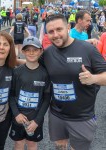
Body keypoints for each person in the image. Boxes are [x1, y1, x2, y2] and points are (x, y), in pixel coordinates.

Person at [41, 14, 106, 150]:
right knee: (60, 146)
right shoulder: (47, 53)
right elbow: (32, 65)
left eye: (59, 29)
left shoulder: (87, 49)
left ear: (68, 27)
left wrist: (93, 78)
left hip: (82, 117)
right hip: (56, 114)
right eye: (51, 32)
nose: (55, 35)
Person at [9, 36, 50, 150]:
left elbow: (47, 99)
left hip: (35, 119)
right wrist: (16, 114)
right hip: (19, 118)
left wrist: (37, 120)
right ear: (22, 51)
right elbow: (11, 95)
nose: (31, 53)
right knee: (19, 143)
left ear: (41, 51)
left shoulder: (45, 74)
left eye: (35, 50)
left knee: (32, 144)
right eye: (28, 50)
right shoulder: (16, 72)